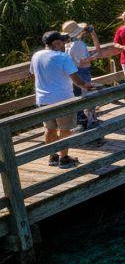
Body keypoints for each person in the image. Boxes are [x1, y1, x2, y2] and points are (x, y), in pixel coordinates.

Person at [32, 30, 100, 167]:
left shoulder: (36, 56)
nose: (64, 44)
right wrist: (87, 86)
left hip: (43, 99)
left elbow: (33, 73)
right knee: (65, 129)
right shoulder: (63, 57)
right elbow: (76, 80)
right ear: (56, 43)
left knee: (49, 129)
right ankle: (64, 159)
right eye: (62, 41)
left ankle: (52, 157)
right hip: (63, 100)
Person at [62, 20, 101, 129]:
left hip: (74, 73)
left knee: (78, 97)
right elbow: (82, 61)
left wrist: (92, 34)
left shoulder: (69, 44)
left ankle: (83, 122)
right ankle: (90, 122)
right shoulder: (78, 44)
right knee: (87, 97)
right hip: (82, 72)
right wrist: (94, 57)